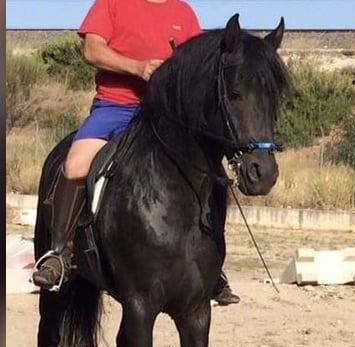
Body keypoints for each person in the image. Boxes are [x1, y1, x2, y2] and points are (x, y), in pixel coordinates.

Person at [32, 0, 240, 305]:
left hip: (168, 114)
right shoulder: (112, 4)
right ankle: (61, 252)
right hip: (117, 106)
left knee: (210, 170)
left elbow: (197, 64)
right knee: (76, 166)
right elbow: (91, 50)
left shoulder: (183, 12)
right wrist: (138, 67)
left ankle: (211, 266)